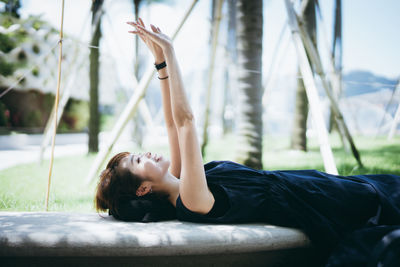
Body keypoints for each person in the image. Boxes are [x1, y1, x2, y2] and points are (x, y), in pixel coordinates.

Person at [95, 19, 400, 266]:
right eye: (138, 160)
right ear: (143, 189)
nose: (145, 153)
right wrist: (172, 53)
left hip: (315, 186)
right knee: (382, 201)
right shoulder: (191, 199)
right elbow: (186, 122)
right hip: (324, 201)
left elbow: (173, 126)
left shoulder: (182, 180)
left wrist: (160, 63)